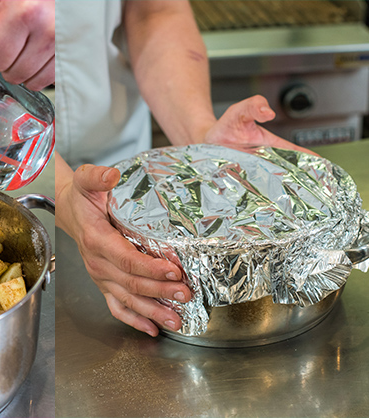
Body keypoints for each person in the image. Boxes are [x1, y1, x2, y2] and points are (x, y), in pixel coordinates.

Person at [54, 0, 316, 337]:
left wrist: (201, 141)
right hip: (4, 172)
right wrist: (61, 191)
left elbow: (155, 11)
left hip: (123, 179)